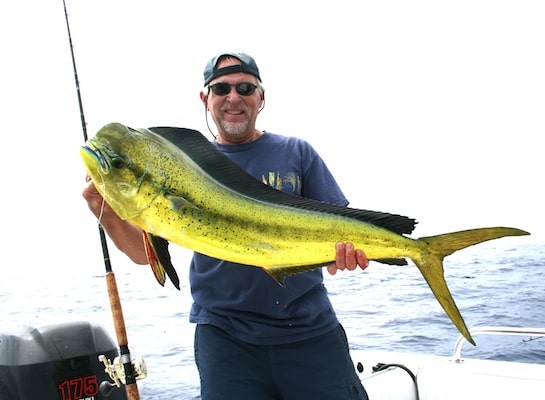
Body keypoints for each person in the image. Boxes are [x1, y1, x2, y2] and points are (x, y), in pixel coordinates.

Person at [82, 52, 370, 399]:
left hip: (309, 332)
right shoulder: (180, 168)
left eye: (245, 87)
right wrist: (104, 209)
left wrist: (344, 255)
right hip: (226, 341)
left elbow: (342, 230)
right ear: (206, 98)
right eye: (221, 89)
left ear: (261, 98)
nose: (234, 98)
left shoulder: (297, 152)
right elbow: (146, 256)